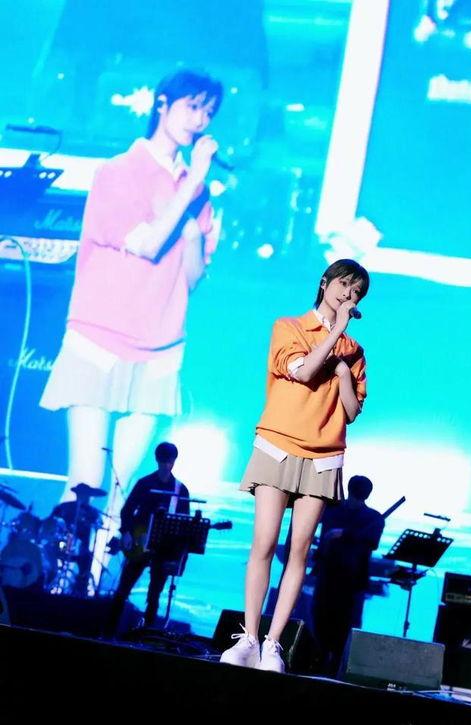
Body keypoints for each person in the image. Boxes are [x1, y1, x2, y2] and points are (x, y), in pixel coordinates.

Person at [40, 69, 224, 502]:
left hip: (161, 345)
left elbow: (191, 278)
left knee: (121, 496)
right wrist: (191, 188)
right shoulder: (119, 171)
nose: (199, 120)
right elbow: (147, 245)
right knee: (85, 485)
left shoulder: (195, 189)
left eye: (208, 112)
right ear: (162, 104)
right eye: (192, 107)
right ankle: (64, 551)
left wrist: (194, 229)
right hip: (100, 337)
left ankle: (103, 551)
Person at [220, 258, 370, 672]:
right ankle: (249, 638)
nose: (349, 295)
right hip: (278, 445)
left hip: (324, 455)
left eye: (357, 292)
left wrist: (344, 373)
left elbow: (352, 411)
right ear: (324, 283)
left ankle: (273, 644)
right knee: (264, 543)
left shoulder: (355, 352)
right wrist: (335, 333)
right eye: (344, 285)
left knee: (298, 550)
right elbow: (302, 372)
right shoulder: (289, 327)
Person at [104, 442, 190, 635]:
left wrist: (178, 556)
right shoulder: (145, 484)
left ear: (174, 461)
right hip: (138, 544)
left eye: (170, 461)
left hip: (163, 548)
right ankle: (108, 632)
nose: (166, 465)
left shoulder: (180, 490)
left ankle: (146, 637)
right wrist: (127, 533)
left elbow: (184, 523)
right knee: (123, 590)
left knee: (154, 596)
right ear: (157, 460)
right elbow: (127, 510)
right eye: (163, 461)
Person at [311, 474, 385, 676]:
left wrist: (343, 534)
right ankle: (325, 664)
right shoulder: (337, 510)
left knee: (338, 624)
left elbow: (371, 541)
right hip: (335, 576)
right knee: (329, 623)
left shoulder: (368, 517)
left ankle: (332, 666)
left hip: (348, 580)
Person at [51, 482, 104, 596]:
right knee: (51, 553)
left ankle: (79, 590)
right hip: (63, 544)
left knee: (86, 560)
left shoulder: (92, 512)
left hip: (81, 550)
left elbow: (99, 523)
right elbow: (52, 521)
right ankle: (48, 581)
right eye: (82, 494)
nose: (85, 497)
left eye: (86, 495)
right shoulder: (65, 507)